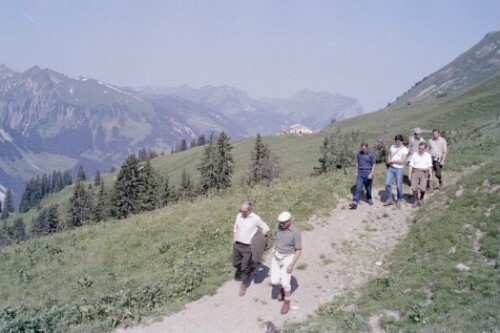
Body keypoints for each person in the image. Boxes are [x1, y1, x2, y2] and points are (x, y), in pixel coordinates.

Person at [233, 201, 270, 296]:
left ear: (249, 210)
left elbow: (266, 228)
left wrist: (258, 239)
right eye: (240, 210)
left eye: (243, 211)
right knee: (235, 264)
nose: (241, 212)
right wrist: (234, 241)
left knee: (244, 267)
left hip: (248, 247)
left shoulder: (255, 218)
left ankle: (244, 284)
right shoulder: (239, 216)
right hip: (237, 245)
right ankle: (248, 269)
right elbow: (235, 229)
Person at [270, 211, 302, 315]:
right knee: (274, 281)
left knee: (285, 283)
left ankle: (287, 302)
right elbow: (277, 240)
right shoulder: (277, 227)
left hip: (288, 257)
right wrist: (274, 248)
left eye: (284, 223)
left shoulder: (295, 232)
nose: (281, 224)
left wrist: (291, 263)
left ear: (290, 221)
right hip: (277, 256)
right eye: (280, 222)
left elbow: (298, 249)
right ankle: (282, 290)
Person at [384, 134, 409, 207]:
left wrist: (392, 161)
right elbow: (389, 155)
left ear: (402, 141)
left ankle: (399, 199)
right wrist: (388, 160)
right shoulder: (392, 146)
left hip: (399, 169)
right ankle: (389, 199)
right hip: (391, 168)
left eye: (399, 141)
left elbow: (402, 161)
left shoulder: (405, 149)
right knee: (387, 183)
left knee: (399, 185)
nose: (397, 143)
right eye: (396, 141)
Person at [349, 142, 376, 209]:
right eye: (362, 148)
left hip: (368, 172)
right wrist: (356, 171)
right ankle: (355, 202)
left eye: (364, 148)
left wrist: (371, 173)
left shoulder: (371, 154)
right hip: (360, 172)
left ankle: (369, 198)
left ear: (367, 147)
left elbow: (374, 164)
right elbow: (357, 163)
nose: (363, 149)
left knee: (368, 188)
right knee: (358, 188)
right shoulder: (359, 154)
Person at [408, 142, 433, 207]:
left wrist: (430, 176)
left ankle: (421, 197)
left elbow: (429, 166)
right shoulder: (414, 155)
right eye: (419, 148)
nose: (420, 150)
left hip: (424, 172)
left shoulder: (428, 156)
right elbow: (411, 165)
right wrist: (409, 175)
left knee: (423, 188)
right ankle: (415, 199)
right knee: (414, 188)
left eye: (422, 149)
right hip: (415, 171)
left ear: (425, 149)